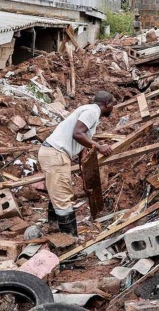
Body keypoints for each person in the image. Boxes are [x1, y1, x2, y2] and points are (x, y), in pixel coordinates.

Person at [37, 91, 116, 236]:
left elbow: (82, 151)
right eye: (113, 105)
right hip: (56, 154)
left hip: (54, 153)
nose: (113, 108)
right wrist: (99, 146)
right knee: (63, 198)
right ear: (107, 104)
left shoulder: (88, 112)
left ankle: (54, 230)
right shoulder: (92, 112)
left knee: (57, 193)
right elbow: (77, 134)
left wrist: (85, 182)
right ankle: (69, 242)